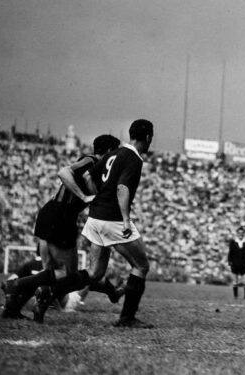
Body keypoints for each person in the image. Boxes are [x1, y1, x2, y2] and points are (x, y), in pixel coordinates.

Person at [0, 134, 122, 322]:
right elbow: (64, 172)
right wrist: (83, 197)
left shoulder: (98, 171)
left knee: (48, 272)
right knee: (67, 274)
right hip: (61, 216)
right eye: (115, 152)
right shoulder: (91, 161)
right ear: (108, 152)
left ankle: (11, 309)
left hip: (51, 213)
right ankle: (15, 285)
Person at [79, 119, 155, 328]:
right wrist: (126, 220)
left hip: (96, 216)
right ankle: (127, 318)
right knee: (141, 266)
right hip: (113, 219)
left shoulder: (113, 153)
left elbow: (87, 176)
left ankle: (42, 287)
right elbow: (122, 188)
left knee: (95, 273)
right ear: (148, 137)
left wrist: (99, 197)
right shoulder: (133, 158)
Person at [228, 226, 245, 299]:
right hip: (235, 263)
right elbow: (230, 253)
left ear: (244, 234)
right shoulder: (233, 242)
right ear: (237, 233)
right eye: (239, 233)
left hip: (244, 264)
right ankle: (235, 296)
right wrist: (230, 262)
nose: (240, 234)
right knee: (235, 281)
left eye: (242, 233)